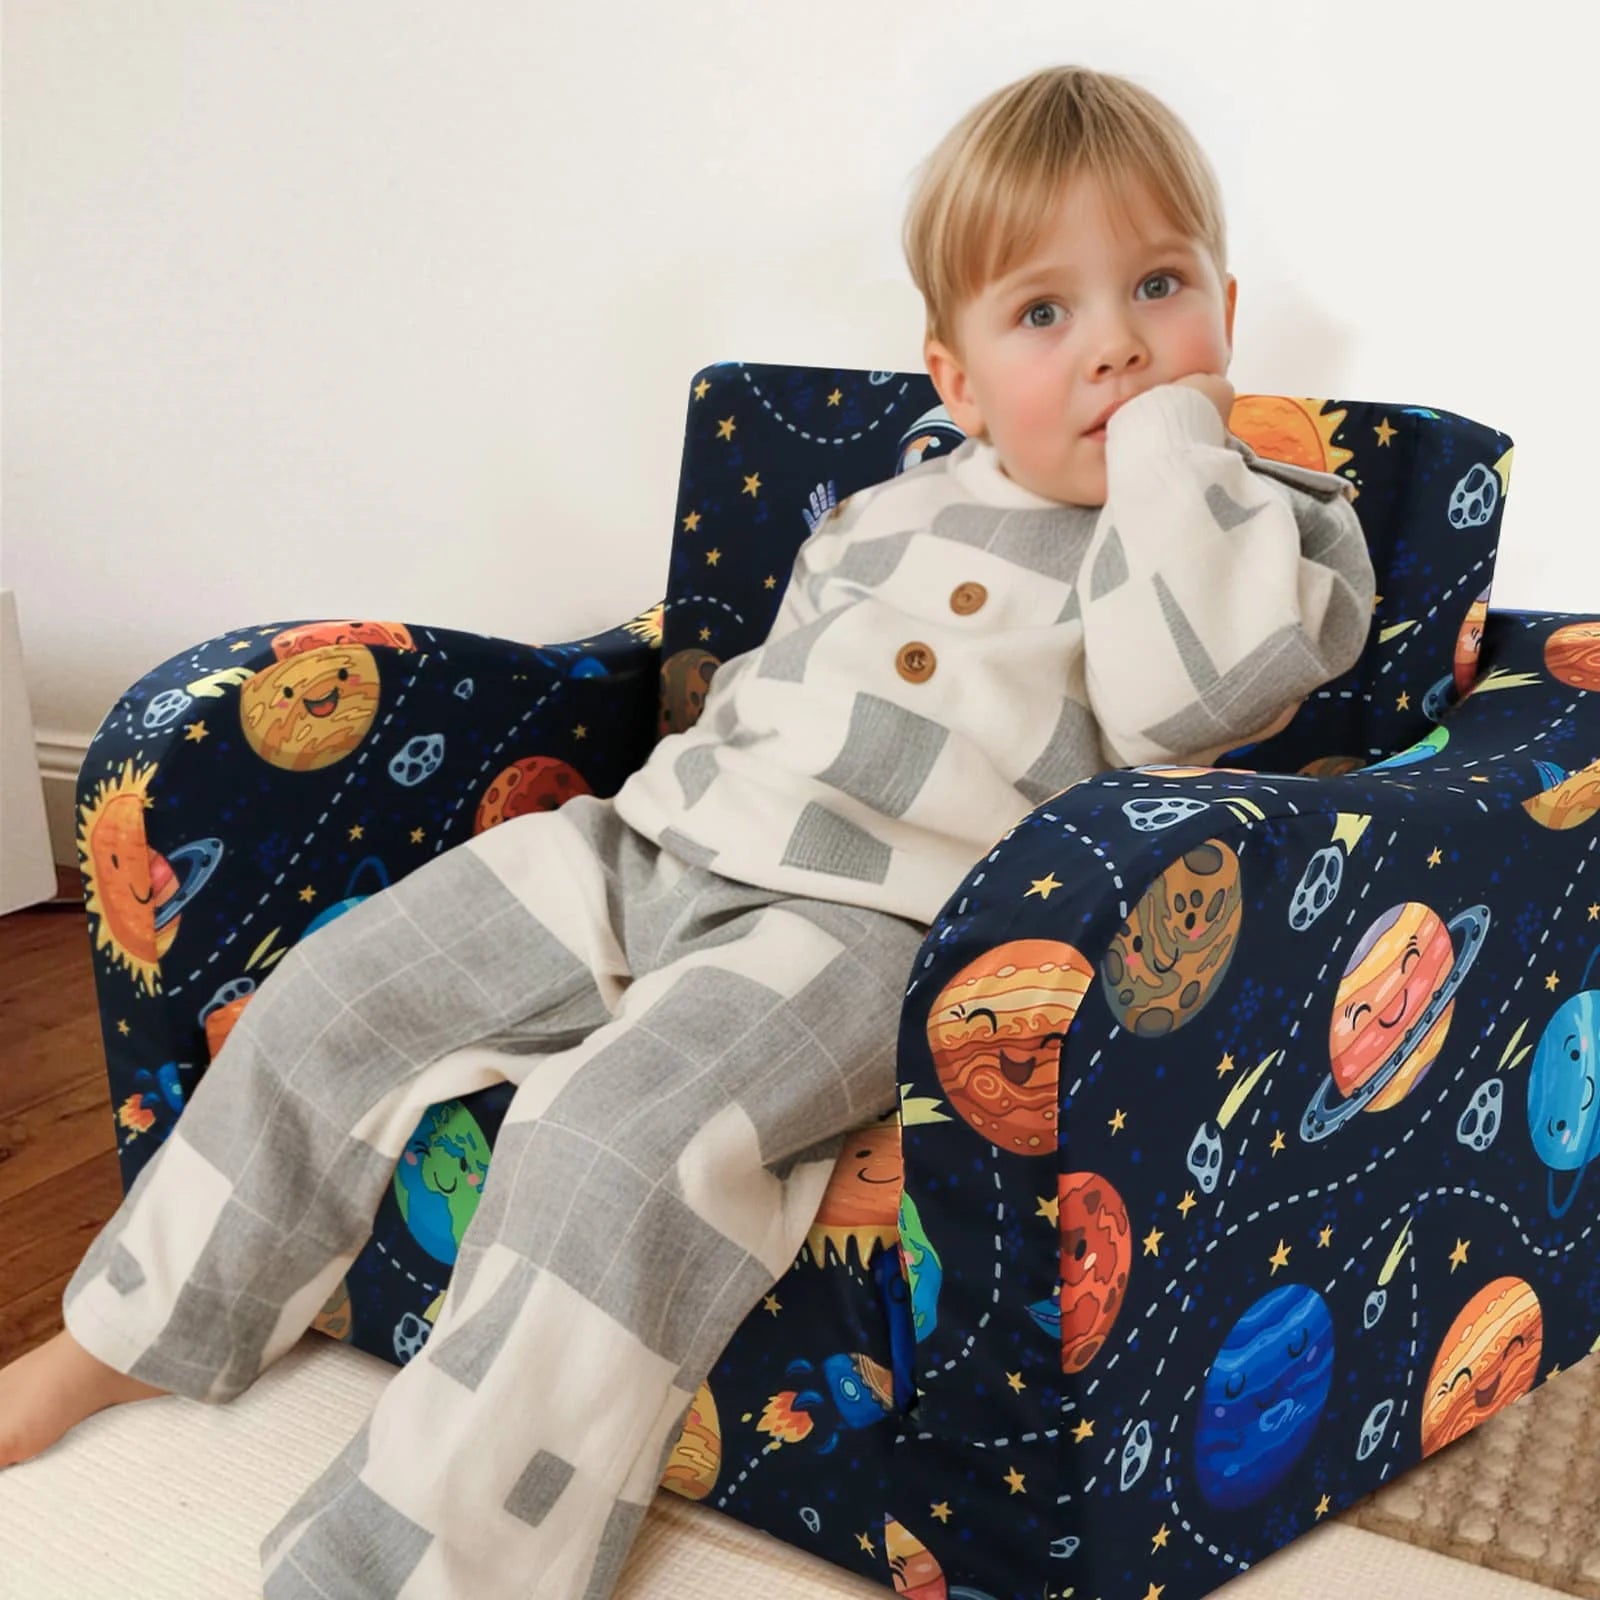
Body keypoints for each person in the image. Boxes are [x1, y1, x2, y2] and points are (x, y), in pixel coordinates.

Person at [0, 63, 1374, 1599]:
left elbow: (1199, 698)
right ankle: (123, 1337)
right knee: (345, 991)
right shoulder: (886, 508)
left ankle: (414, 1571)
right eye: (1044, 314)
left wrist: (1180, 449)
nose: (1117, 341)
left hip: (868, 925)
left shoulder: (1261, 527)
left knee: (611, 1142)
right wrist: (636, 847)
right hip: (660, 841)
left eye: (1160, 289)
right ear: (961, 378)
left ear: (1226, 314)